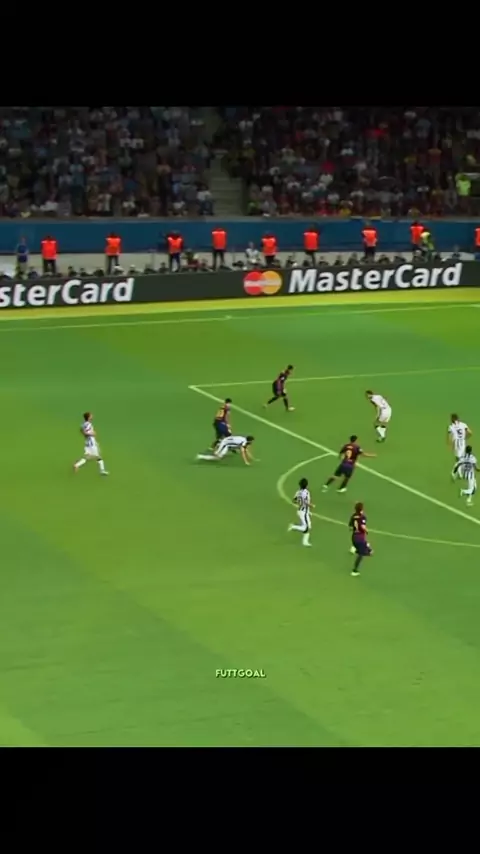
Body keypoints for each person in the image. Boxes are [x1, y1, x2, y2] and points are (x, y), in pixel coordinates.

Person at [288, 477, 314, 547]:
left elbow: (294, 500)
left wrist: (299, 502)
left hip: (301, 511)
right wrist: (311, 505)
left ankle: (305, 542)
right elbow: (305, 502)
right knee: (306, 527)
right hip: (303, 511)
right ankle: (293, 526)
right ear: (307, 485)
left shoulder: (298, 492)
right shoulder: (306, 492)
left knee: (308, 526)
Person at [349, 502, 373, 576]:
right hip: (360, 538)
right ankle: (354, 571)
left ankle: (355, 548)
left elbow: (350, 527)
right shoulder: (362, 517)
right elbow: (363, 526)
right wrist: (366, 531)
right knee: (362, 554)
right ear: (362, 509)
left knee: (368, 550)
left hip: (354, 537)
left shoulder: (353, 516)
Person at [448, 414, 471, 480]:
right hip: (463, 442)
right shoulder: (463, 424)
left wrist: (450, 445)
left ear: (453, 419)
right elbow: (470, 432)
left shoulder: (451, 426)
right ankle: (460, 473)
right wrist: (465, 438)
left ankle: (454, 472)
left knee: (458, 459)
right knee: (461, 458)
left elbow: (450, 437)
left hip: (456, 443)